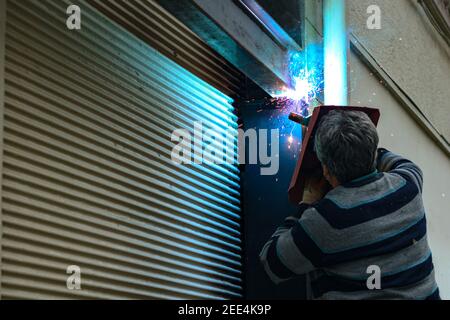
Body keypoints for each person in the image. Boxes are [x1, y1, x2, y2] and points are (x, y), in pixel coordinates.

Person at [260, 110, 440, 300]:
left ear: (326, 170)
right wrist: (353, 137)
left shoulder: (327, 220)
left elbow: (272, 263)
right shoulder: (408, 183)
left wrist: (306, 204)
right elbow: (383, 156)